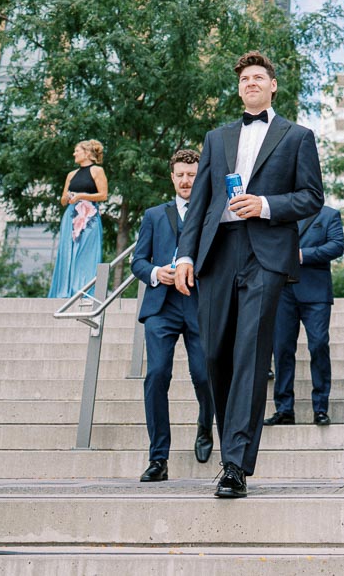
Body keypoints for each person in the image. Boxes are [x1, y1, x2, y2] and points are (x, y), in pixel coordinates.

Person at [174, 51, 324, 499]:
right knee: (215, 355)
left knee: (250, 355)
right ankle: (230, 449)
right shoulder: (216, 138)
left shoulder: (298, 136)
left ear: (272, 85)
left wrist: (266, 205)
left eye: (258, 77)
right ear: (239, 89)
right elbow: (199, 203)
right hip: (216, 254)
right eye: (244, 79)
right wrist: (184, 256)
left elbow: (311, 197)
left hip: (266, 254)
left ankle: (236, 464)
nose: (251, 84)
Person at [130, 149, 215, 482]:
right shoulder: (154, 215)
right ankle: (158, 458)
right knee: (157, 376)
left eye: (192, 175)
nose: (185, 180)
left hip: (199, 304)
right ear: (172, 176)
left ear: (200, 177)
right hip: (161, 308)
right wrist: (155, 273)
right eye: (180, 174)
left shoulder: (211, 214)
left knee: (204, 375)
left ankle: (205, 423)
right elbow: (138, 261)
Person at [266, 204, 344, 427]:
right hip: (283, 292)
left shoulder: (329, 215)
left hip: (316, 292)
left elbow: (337, 246)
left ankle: (320, 408)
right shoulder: (282, 212)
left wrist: (303, 255)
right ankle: (284, 409)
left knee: (319, 345)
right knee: (281, 349)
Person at [47, 140, 108, 299]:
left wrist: (81, 196)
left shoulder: (97, 170)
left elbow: (103, 195)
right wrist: (67, 198)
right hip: (71, 215)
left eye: (77, 151)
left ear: (87, 153)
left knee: (85, 252)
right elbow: (62, 200)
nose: (74, 154)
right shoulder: (71, 175)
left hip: (89, 216)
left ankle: (83, 291)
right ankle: (64, 292)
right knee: (67, 252)